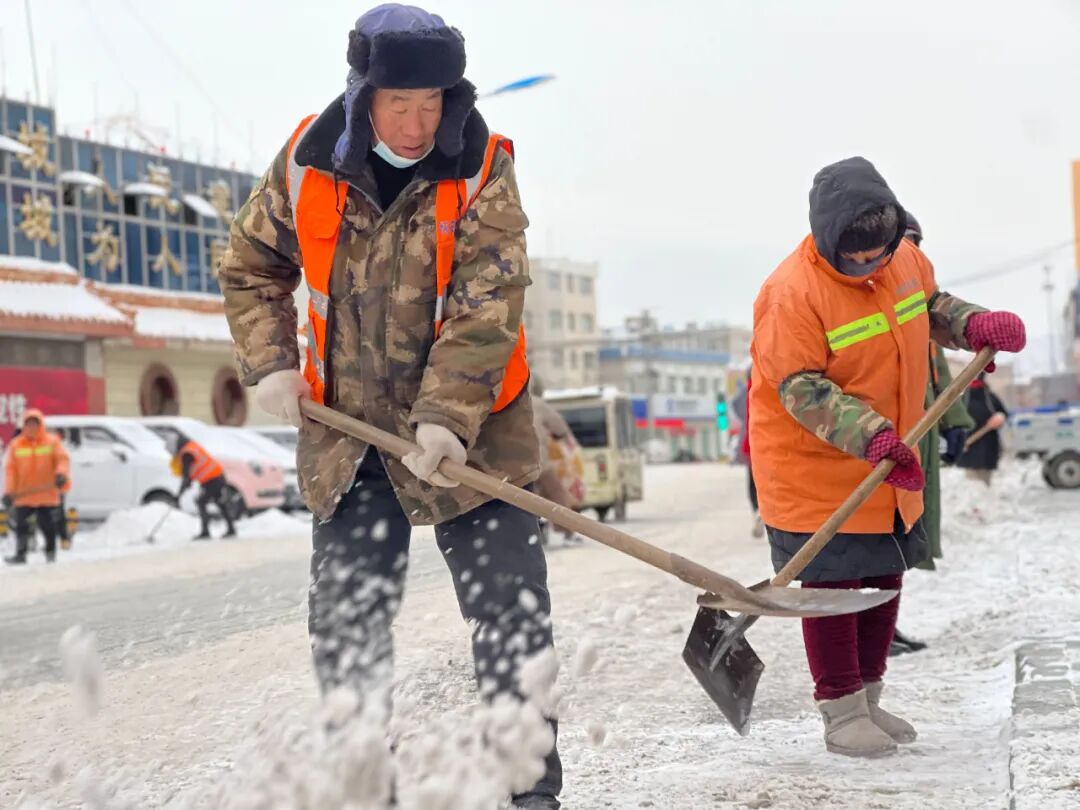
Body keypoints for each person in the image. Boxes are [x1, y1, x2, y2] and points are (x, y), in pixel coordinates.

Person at [217, 6, 560, 806]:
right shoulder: (308, 161)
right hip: (352, 439)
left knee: (513, 625)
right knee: (348, 635)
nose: (417, 123)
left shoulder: (482, 167)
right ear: (363, 92)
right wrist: (269, 365)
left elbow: (488, 302)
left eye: (433, 102)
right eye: (399, 103)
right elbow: (249, 265)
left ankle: (531, 794)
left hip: (477, 438)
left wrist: (445, 416)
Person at [750, 157, 1025, 757]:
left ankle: (870, 700)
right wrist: (872, 434)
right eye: (860, 256)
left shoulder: (905, 256)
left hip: (889, 454)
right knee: (834, 584)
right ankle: (841, 710)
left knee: (883, 573)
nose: (874, 263)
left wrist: (975, 324)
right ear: (829, 240)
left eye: (882, 250)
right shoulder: (790, 295)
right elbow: (799, 387)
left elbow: (930, 309)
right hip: (815, 464)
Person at [889, 215, 977, 656]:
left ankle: (889, 624)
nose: (912, 254)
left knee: (909, 536)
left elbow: (937, 368)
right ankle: (876, 630)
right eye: (905, 244)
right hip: (887, 439)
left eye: (917, 245)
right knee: (879, 542)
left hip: (920, 438)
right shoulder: (877, 302)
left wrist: (956, 420)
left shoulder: (917, 301)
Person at [3, 409, 70, 564]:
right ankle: (20, 554)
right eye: (28, 424)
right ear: (24, 426)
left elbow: (62, 460)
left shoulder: (52, 442)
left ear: (40, 425)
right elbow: (11, 471)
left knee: (47, 526)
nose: (31, 428)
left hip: (46, 494)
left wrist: (60, 474)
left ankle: (50, 552)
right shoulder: (16, 445)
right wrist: (9, 492)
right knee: (21, 527)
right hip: (23, 495)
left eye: (35, 424)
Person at [530, 378, 585, 544]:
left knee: (523, 498)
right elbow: (559, 427)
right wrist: (559, 436)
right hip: (537, 460)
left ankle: (531, 533)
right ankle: (567, 532)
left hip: (510, 464)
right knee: (556, 494)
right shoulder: (537, 403)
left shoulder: (508, 402)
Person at [172, 433, 237, 540]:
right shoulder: (192, 447)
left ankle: (205, 532)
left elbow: (186, 476)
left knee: (201, 502)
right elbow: (192, 473)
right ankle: (231, 529)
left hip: (212, 479)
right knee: (219, 502)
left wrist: (179, 494)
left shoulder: (186, 454)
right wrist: (187, 484)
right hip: (217, 476)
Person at [957, 372, 1008, 486]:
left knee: (984, 483)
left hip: (987, 446)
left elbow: (1003, 413)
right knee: (970, 484)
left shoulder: (990, 397)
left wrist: (1000, 417)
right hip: (968, 446)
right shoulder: (963, 399)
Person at [733, 368, 764, 538]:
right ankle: (765, 512)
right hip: (768, 442)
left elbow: (734, 405)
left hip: (751, 443)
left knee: (753, 482)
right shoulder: (766, 387)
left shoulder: (745, 393)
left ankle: (757, 511)